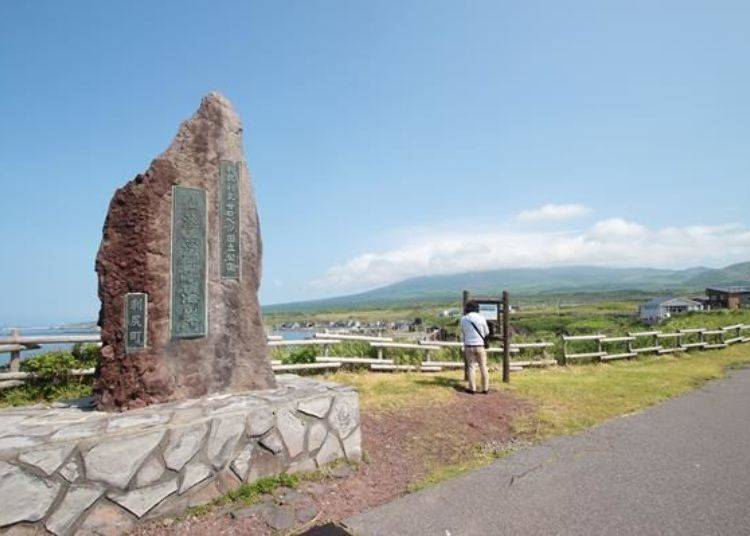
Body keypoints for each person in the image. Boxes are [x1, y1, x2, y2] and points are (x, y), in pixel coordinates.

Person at [460, 301, 490, 394]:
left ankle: (472, 388)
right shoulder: (481, 318)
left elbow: (463, 332)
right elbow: (486, 332)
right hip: (480, 345)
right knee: (483, 367)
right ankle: (485, 388)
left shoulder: (464, 319)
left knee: (471, 367)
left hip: (469, 345)